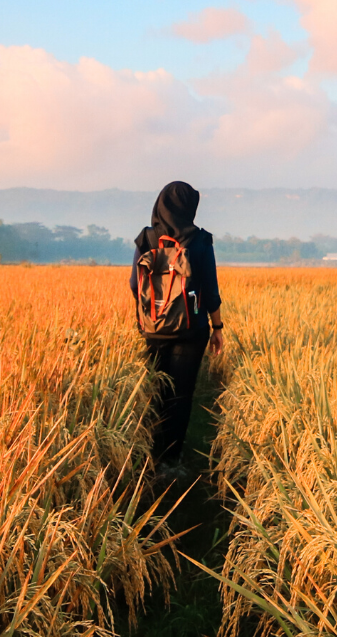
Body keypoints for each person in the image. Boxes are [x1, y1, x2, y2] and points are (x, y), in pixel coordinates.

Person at [129, 181, 224, 478]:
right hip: (190, 330)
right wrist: (217, 326)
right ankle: (171, 459)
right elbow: (210, 288)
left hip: (153, 329)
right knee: (181, 395)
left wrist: (152, 311)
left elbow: (134, 285)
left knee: (156, 390)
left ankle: (149, 455)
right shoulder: (199, 240)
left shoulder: (146, 238)